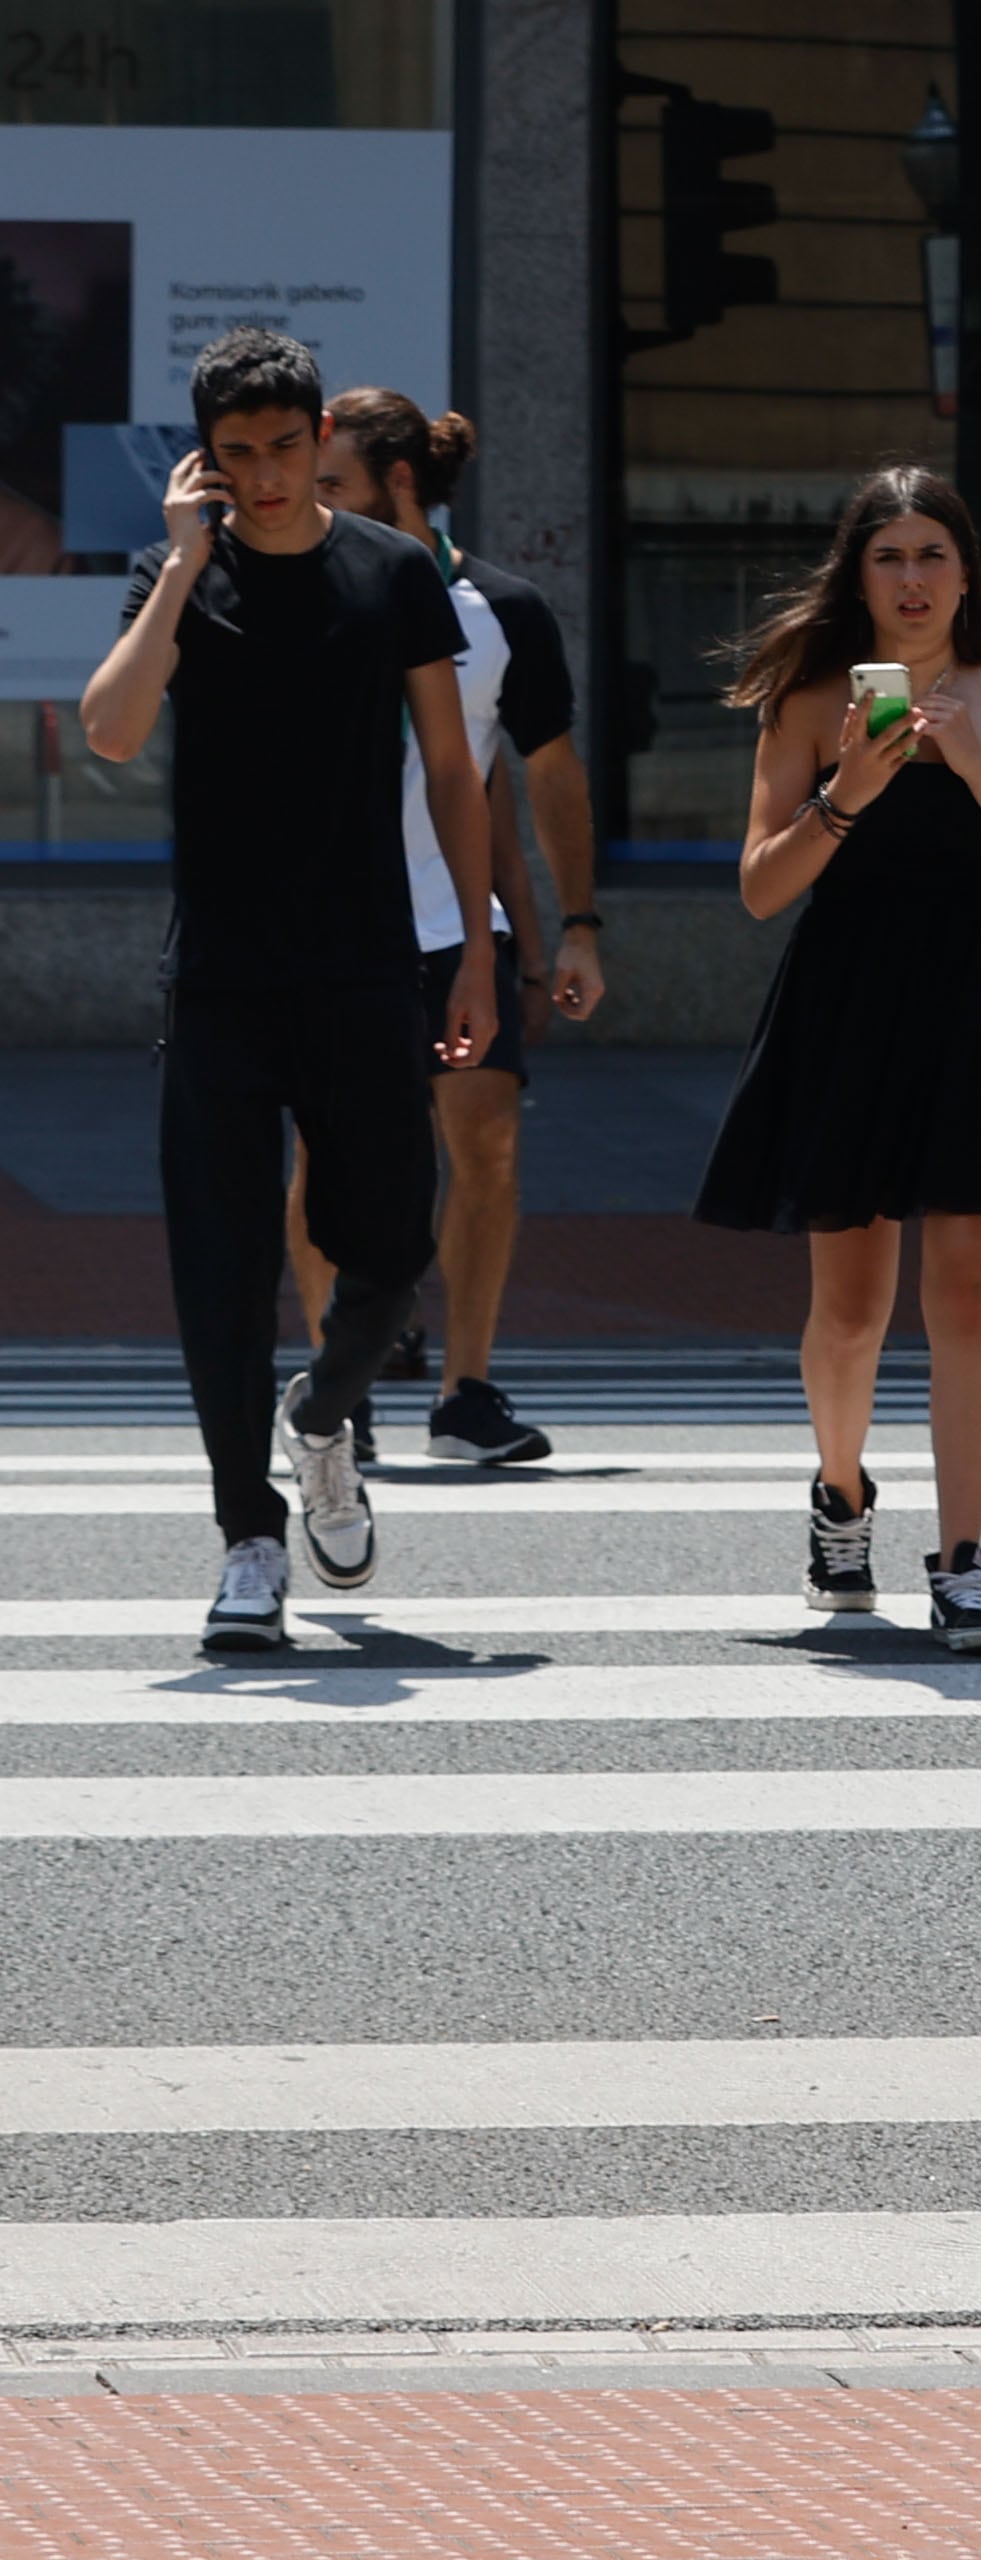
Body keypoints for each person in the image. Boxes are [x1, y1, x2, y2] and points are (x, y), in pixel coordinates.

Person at [79, 328, 496, 1654]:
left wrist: (478, 948)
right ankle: (247, 1539)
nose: (262, 477)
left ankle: (323, 1414)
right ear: (207, 459)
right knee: (220, 1266)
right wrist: (186, 559)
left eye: (282, 448)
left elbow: (450, 765)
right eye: (236, 455)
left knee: (390, 1249)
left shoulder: (389, 573)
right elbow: (109, 727)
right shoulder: (176, 576)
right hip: (221, 975)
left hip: (371, 963)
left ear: (322, 441)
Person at [694, 466, 981, 1653]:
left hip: (975, 1006)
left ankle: (965, 1564)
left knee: (972, 1294)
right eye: (889, 556)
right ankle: (841, 1491)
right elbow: (763, 889)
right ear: (855, 573)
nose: (912, 579)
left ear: (967, 571)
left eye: (933, 554)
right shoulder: (815, 701)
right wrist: (850, 793)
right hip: (846, 1005)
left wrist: (978, 767)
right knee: (853, 1309)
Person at [283, 388, 613, 1466]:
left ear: (401, 486)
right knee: (328, 1163)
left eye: (333, 485)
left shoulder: (501, 611)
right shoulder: (302, 591)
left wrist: (574, 927)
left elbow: (547, 775)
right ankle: (349, 1384)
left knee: (488, 1148)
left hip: (454, 929)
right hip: (328, 932)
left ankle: (464, 1395)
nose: (313, 503)